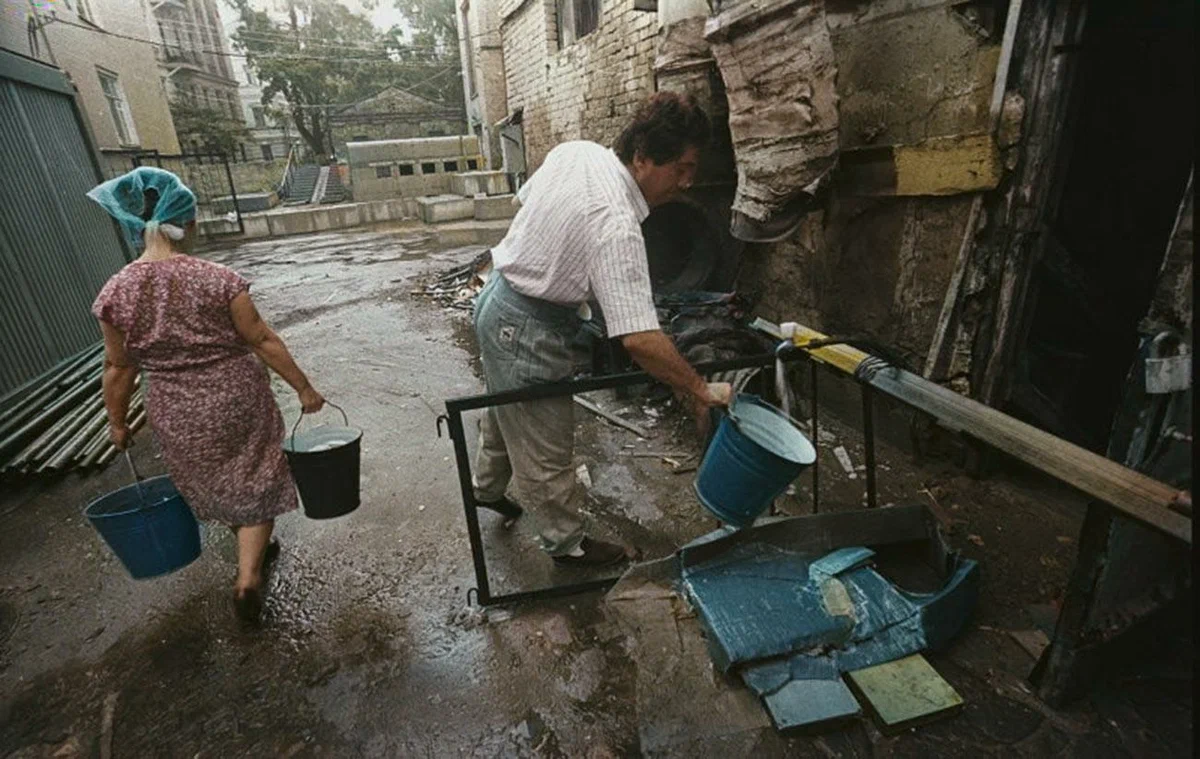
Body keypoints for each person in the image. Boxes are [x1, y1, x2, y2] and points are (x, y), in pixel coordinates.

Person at [472, 92, 733, 567]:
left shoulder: (578, 151)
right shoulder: (616, 222)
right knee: (546, 444)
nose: (688, 181)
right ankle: (566, 543)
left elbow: (527, 201)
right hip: (527, 324)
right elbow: (637, 339)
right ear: (642, 157)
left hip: (498, 299)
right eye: (681, 167)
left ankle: (486, 489)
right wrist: (700, 388)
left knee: (505, 406)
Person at [89, 167, 324, 624]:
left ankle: (249, 542)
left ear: (135, 227)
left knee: (219, 483)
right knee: (256, 477)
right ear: (189, 223)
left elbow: (118, 368)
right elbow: (261, 339)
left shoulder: (114, 292)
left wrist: (116, 423)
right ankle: (248, 576)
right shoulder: (220, 278)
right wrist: (304, 387)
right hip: (236, 396)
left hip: (176, 408)